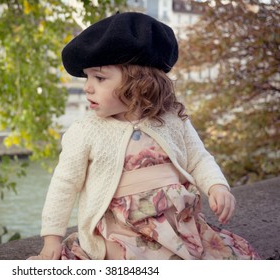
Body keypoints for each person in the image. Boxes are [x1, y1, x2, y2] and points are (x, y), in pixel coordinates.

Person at [28, 12, 259, 260]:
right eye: (88, 77)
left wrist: (217, 186)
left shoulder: (172, 119)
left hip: (178, 225)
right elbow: (64, 185)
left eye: (100, 77)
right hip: (121, 230)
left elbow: (198, 157)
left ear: (139, 82)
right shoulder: (85, 131)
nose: (87, 86)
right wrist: (51, 238)